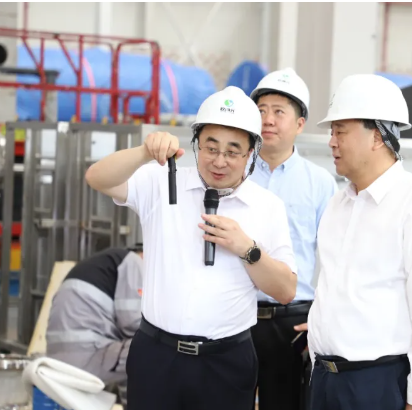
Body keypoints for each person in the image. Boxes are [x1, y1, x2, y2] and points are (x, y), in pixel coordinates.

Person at [84, 86, 298, 410]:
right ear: (196, 143)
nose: (219, 161)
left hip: (226, 362)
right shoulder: (162, 181)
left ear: (251, 153)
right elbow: (97, 178)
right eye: (211, 147)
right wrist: (144, 152)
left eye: (233, 152)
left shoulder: (267, 206)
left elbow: (285, 290)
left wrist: (247, 249)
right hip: (156, 356)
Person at [303, 74, 412, 410]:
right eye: (332, 132)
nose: (332, 142)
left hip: (379, 384)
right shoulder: (338, 204)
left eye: (340, 131)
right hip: (325, 380)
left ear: (377, 136)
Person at [249, 68, 337, 410]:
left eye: (278, 111)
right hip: (235, 311)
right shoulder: (234, 173)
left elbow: (336, 258)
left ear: (300, 124)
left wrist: (323, 318)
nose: (268, 119)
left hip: (292, 321)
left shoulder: (320, 182)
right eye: (261, 110)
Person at [47, 244, 144, 406]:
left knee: (132, 350)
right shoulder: (135, 262)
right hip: (86, 356)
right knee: (152, 350)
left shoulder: (105, 262)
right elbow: (132, 323)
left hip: (58, 359)